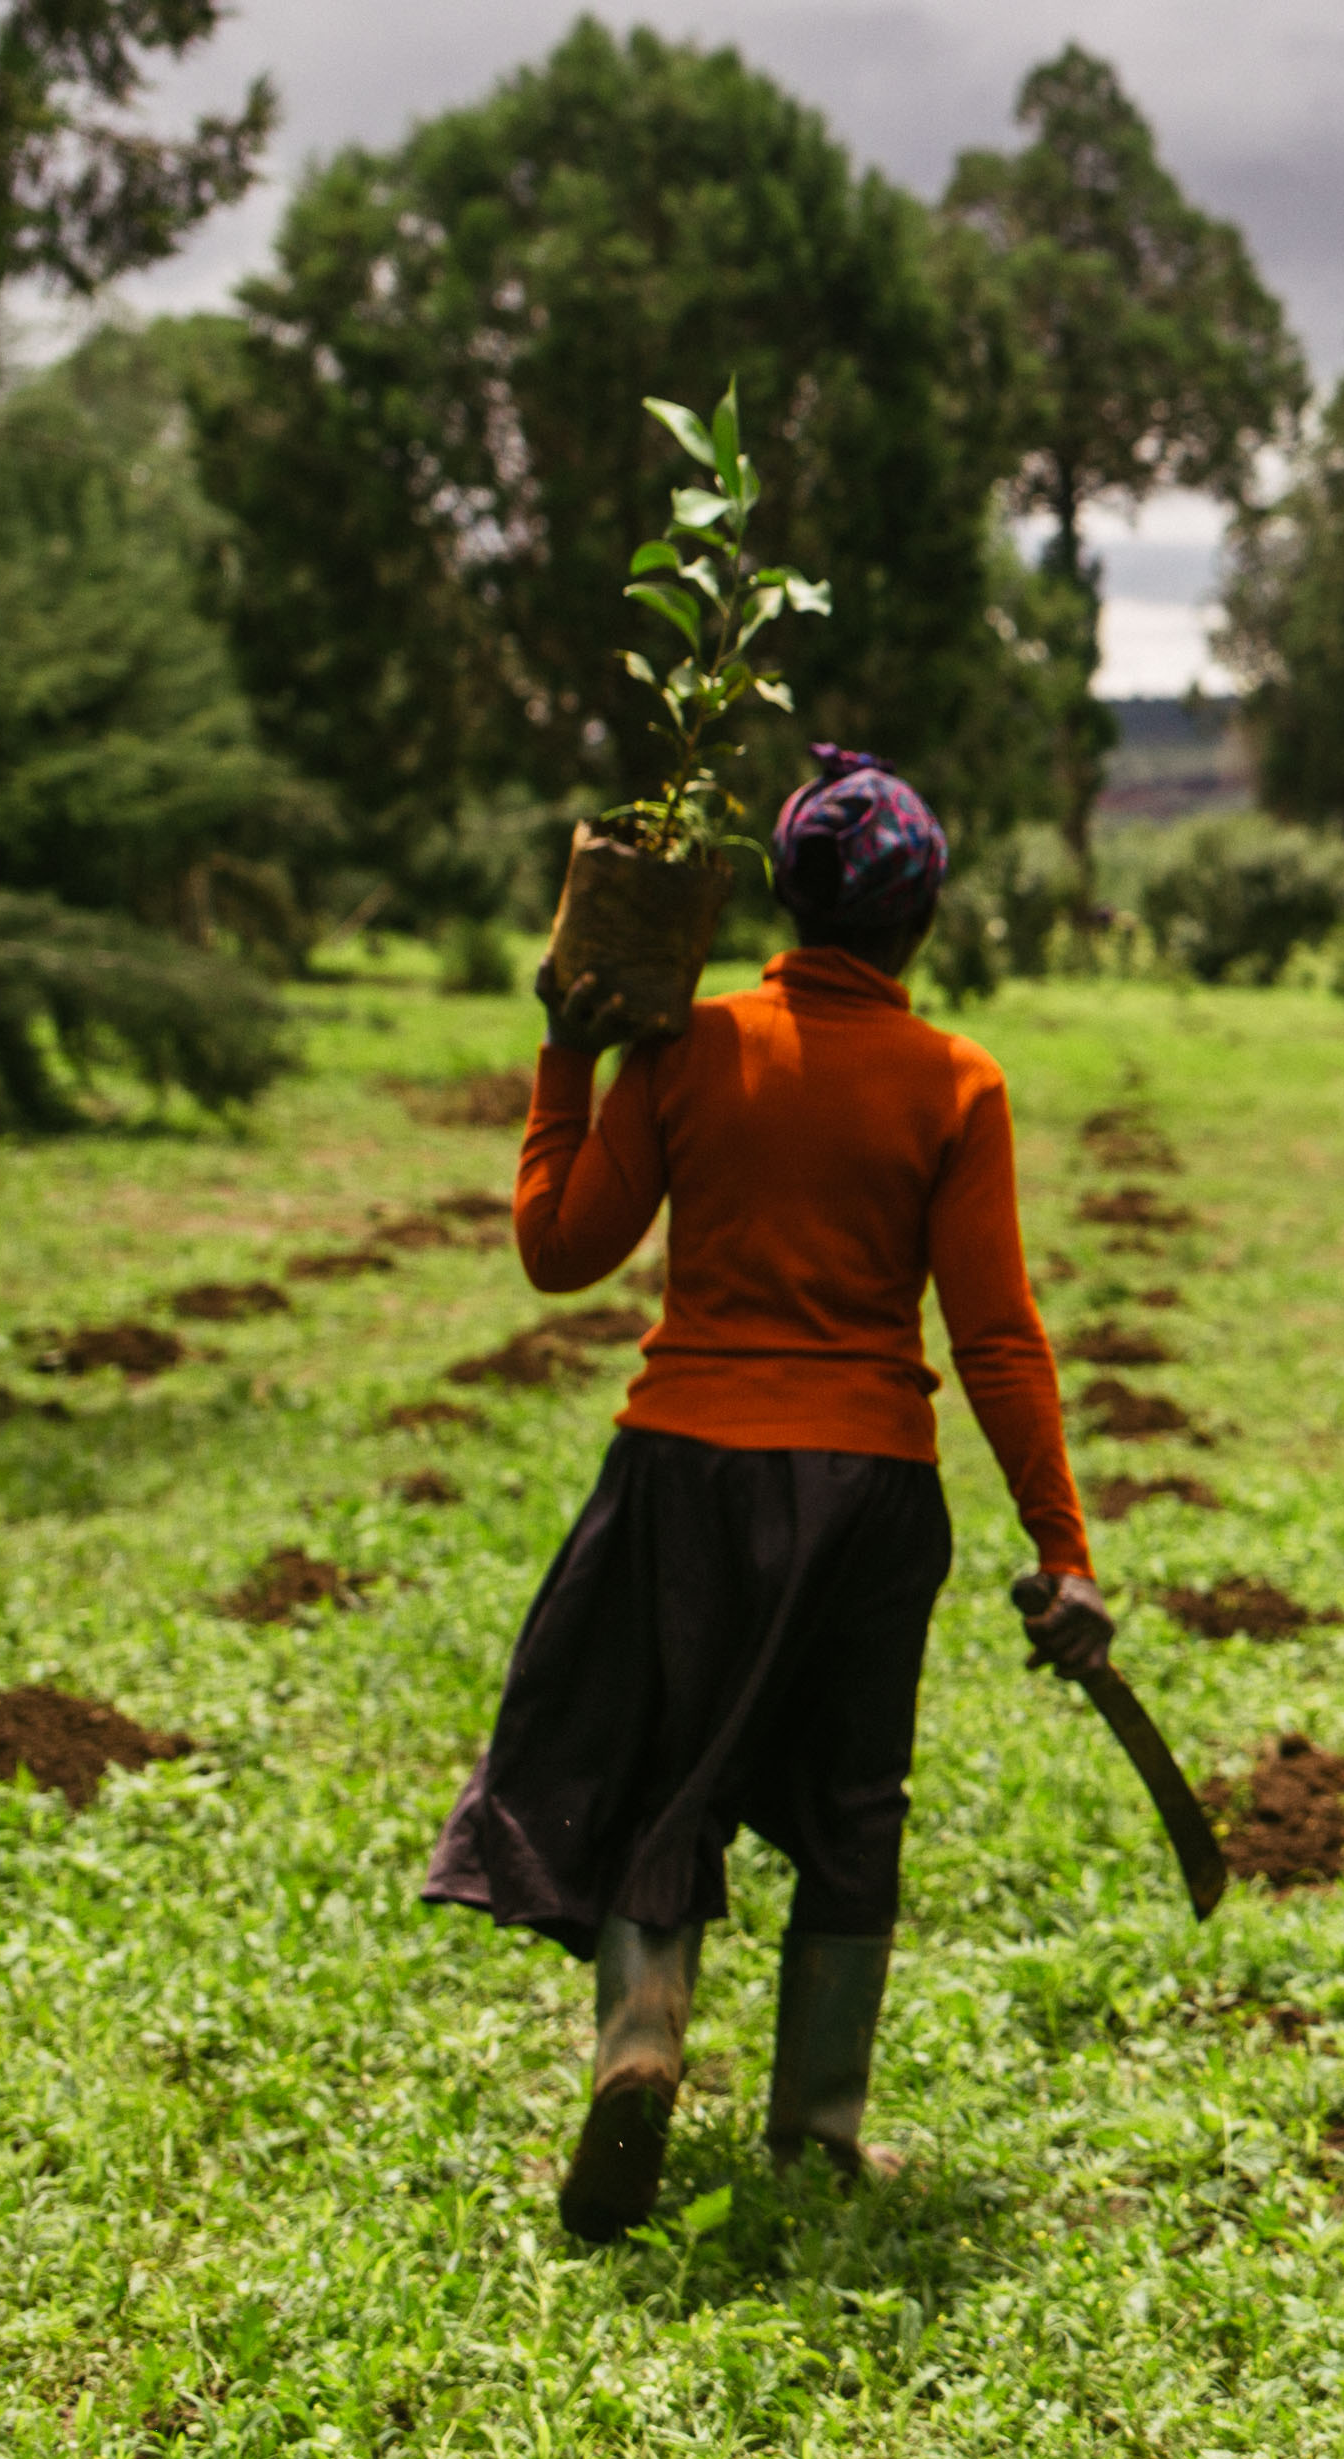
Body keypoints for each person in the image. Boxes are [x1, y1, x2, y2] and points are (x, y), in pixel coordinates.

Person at [424, 748, 1116, 2244]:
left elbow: (557, 1249)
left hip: (685, 1467)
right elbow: (993, 1334)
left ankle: (645, 2033)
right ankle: (816, 2133)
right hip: (871, 1492)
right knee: (855, 1807)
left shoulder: (690, 1047)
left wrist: (568, 1059)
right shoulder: (955, 1083)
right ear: (921, 925)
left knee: (664, 1772)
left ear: (784, 899)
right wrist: (1062, 1543)